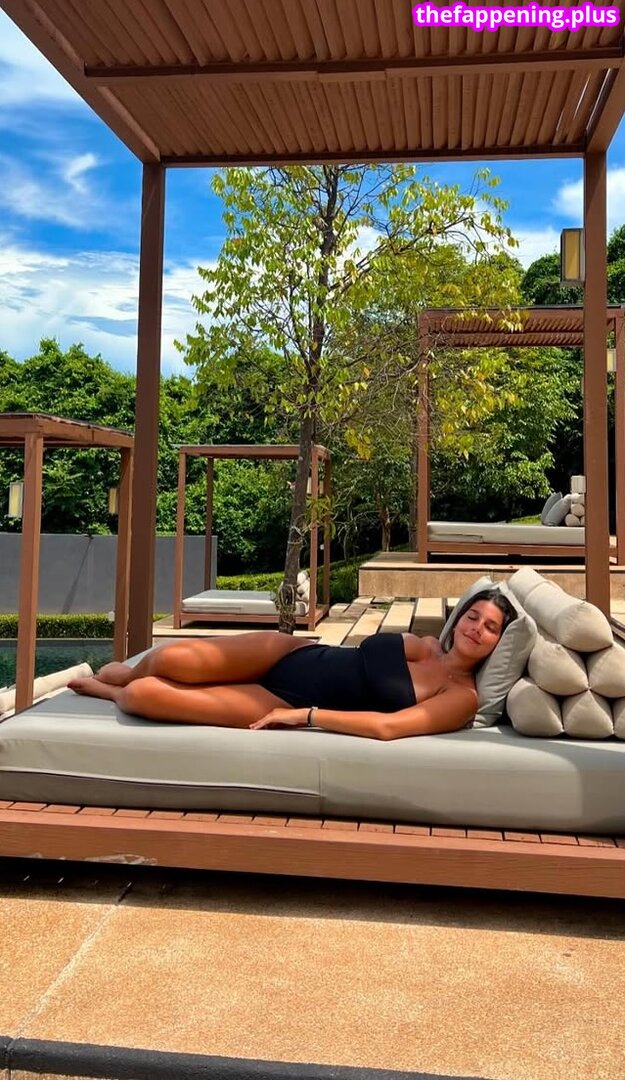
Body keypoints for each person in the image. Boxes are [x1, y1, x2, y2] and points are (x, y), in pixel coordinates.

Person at [68, 588, 516, 741]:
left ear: (499, 642)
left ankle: (112, 689)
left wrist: (305, 716)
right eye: (472, 617)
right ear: (459, 618)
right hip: (290, 652)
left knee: (143, 696)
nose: (476, 629)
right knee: (168, 657)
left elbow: (387, 728)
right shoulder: (426, 645)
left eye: (491, 627)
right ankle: (126, 672)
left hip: (284, 700)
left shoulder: (461, 697)